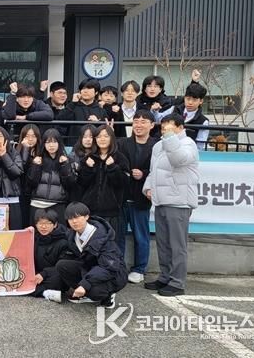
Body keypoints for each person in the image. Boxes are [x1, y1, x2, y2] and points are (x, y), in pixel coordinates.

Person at [143, 113, 200, 296]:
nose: (165, 129)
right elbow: (153, 171)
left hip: (179, 202)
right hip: (161, 200)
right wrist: (148, 188)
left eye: (169, 126)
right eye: (163, 126)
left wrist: (169, 138)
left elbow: (178, 159)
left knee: (177, 245)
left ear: (180, 127)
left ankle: (177, 282)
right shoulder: (159, 145)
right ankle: (165, 276)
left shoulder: (188, 144)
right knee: (163, 243)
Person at [55, 202, 128, 307]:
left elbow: (109, 267)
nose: (74, 221)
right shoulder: (72, 235)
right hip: (91, 268)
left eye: (77, 217)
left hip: (114, 273)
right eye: (70, 219)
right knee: (62, 265)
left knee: (95, 291)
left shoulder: (102, 237)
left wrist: (85, 284)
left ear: (87, 217)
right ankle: (85, 293)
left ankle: (108, 296)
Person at [117, 110, 158, 284]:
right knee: (118, 236)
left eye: (143, 121)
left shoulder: (157, 146)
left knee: (141, 236)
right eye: (136, 121)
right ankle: (118, 267)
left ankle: (139, 269)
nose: (138, 125)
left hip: (141, 198)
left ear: (152, 125)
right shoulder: (122, 143)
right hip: (121, 198)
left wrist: (144, 174)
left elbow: (159, 170)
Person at [78, 125, 130, 237]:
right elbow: (81, 183)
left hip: (112, 212)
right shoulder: (89, 158)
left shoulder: (120, 158)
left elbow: (124, 183)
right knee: (91, 243)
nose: (102, 139)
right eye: (99, 136)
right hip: (90, 211)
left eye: (106, 136)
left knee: (111, 243)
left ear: (112, 138)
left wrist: (112, 167)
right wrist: (88, 169)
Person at [27, 128, 76, 225]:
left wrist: (65, 165)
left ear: (59, 143)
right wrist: (36, 166)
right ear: (44, 144)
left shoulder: (67, 160)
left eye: (54, 142)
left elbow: (70, 184)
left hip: (58, 204)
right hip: (37, 204)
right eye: (48, 142)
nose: (51, 145)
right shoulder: (38, 159)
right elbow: (31, 183)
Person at [31, 208, 70, 303]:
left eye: (48, 223)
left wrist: (44, 274)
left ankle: (39, 291)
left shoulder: (63, 241)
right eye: (40, 223)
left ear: (55, 224)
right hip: (37, 274)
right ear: (36, 224)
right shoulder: (33, 238)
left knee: (59, 278)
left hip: (52, 274)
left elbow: (63, 266)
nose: (43, 227)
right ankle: (45, 292)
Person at [172, 82, 209, 150]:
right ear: (184, 98)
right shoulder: (174, 110)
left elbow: (199, 145)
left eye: (194, 100)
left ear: (201, 101)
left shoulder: (203, 121)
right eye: (188, 99)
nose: (190, 103)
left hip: (188, 152)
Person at [18, 124, 41, 228]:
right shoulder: (17, 151)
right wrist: (25, 150)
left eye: (33, 136)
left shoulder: (40, 153)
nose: (30, 139)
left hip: (36, 194)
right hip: (22, 193)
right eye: (27, 136)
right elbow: (21, 169)